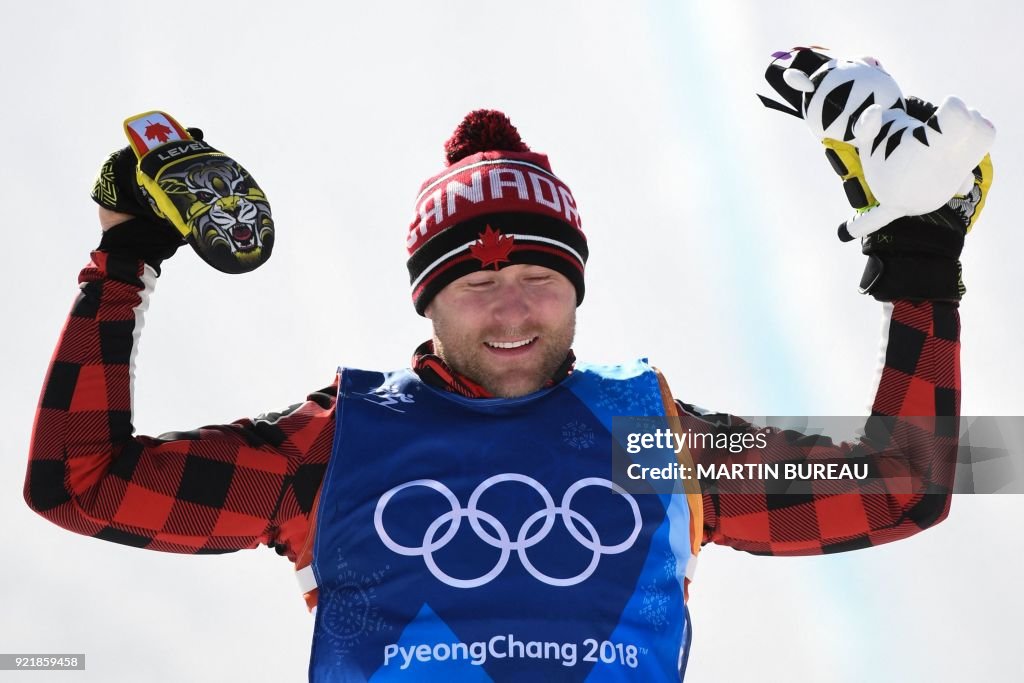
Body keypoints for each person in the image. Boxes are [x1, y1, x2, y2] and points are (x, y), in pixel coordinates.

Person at [25, 89, 983, 680]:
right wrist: (127, 258)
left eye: (540, 280)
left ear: (577, 292)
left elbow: (908, 485)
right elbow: (75, 483)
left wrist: (921, 271)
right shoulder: (337, 441)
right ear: (428, 306)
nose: (513, 312)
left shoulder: (646, 439)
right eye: (478, 285)